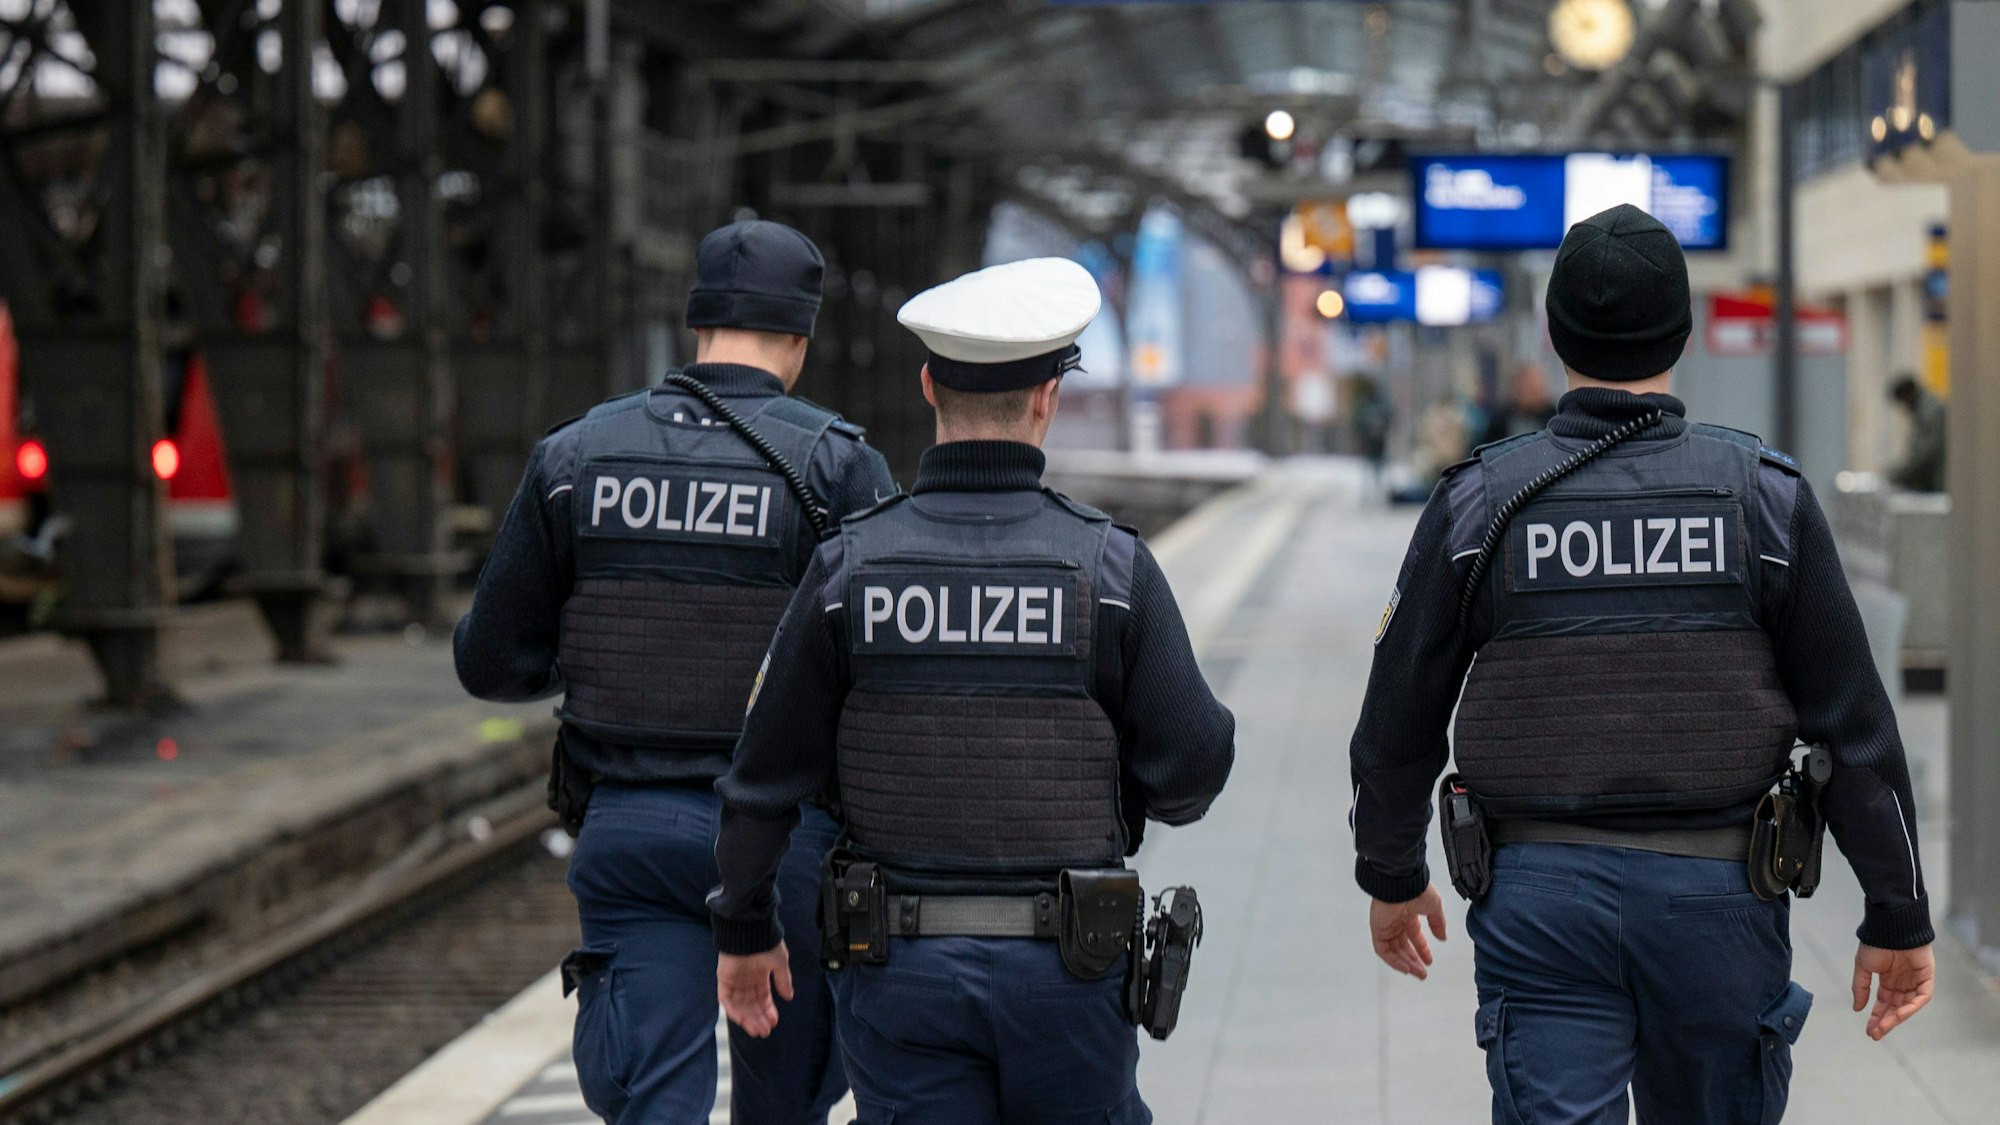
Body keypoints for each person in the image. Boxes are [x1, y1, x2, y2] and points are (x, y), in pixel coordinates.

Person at [1349, 205, 1935, 1123]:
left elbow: (1397, 714)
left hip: (1538, 900)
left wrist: (1390, 869)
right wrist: (1897, 910)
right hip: (1720, 899)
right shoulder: (1764, 501)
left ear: (1552, 336)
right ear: (1684, 333)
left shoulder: (1479, 505)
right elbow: (1855, 727)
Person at [707, 257, 1236, 1124]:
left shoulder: (849, 569)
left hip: (899, 973)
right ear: (1046, 398)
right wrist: (1109, 795)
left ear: (928, 386)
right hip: (1071, 971)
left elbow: (762, 777)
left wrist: (743, 924)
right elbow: (1194, 769)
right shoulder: (1110, 571)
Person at [453, 220, 895, 1123]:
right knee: (786, 1104)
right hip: (785, 845)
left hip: (631, 830)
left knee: (653, 1101)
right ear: (801, 339)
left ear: (697, 325)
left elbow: (490, 659)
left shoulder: (576, 457)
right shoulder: (837, 467)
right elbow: (886, 682)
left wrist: (594, 651)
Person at [1888, 374, 1947, 492]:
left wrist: (1900, 473)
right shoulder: (1922, 409)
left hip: (1935, 481)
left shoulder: (1931, 411)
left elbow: (1927, 452)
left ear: (1907, 395)